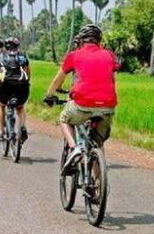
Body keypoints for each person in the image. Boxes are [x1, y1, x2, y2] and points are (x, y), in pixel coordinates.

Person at [44, 25, 119, 172]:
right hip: (108, 106)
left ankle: (74, 148)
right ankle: (97, 186)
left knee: (64, 119)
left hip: (82, 103)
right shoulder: (110, 55)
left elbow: (57, 81)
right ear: (99, 41)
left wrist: (49, 96)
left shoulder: (74, 55)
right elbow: (111, 78)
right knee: (98, 143)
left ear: (81, 41)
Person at [0, 36, 30, 142]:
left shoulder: (0, 55)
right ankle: (23, 127)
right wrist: (27, 81)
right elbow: (28, 71)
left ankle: (1, 132)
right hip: (21, 85)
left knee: (1, 105)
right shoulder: (22, 55)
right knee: (20, 107)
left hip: (6, 85)